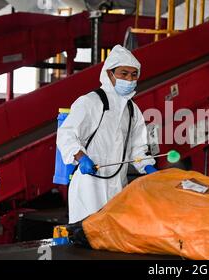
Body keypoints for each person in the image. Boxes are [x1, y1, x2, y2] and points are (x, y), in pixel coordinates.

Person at [57, 45, 157, 223]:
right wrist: (81, 157)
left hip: (118, 187)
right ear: (110, 74)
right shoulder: (90, 102)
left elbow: (138, 149)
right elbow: (66, 134)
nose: (129, 79)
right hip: (89, 188)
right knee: (86, 239)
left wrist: (147, 167)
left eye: (134, 75)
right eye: (123, 73)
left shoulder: (132, 110)